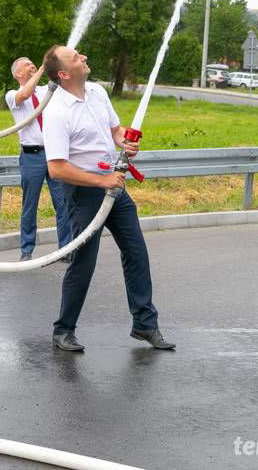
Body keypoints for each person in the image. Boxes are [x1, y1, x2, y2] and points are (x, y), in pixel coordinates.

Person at [41, 45, 175, 352]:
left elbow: (115, 129)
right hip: (85, 191)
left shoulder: (98, 93)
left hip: (113, 187)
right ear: (64, 74)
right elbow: (57, 168)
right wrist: (101, 181)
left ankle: (145, 324)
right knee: (83, 262)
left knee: (136, 252)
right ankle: (63, 330)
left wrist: (125, 141)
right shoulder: (57, 112)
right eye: (76, 58)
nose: (84, 57)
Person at [5, 57, 72, 261]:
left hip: (54, 154)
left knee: (62, 203)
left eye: (33, 63)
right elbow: (24, 94)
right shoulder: (12, 95)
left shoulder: (46, 91)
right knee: (29, 205)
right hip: (31, 156)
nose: (31, 65)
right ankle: (26, 251)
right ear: (18, 73)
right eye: (27, 64)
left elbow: (64, 89)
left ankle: (66, 249)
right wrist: (42, 68)